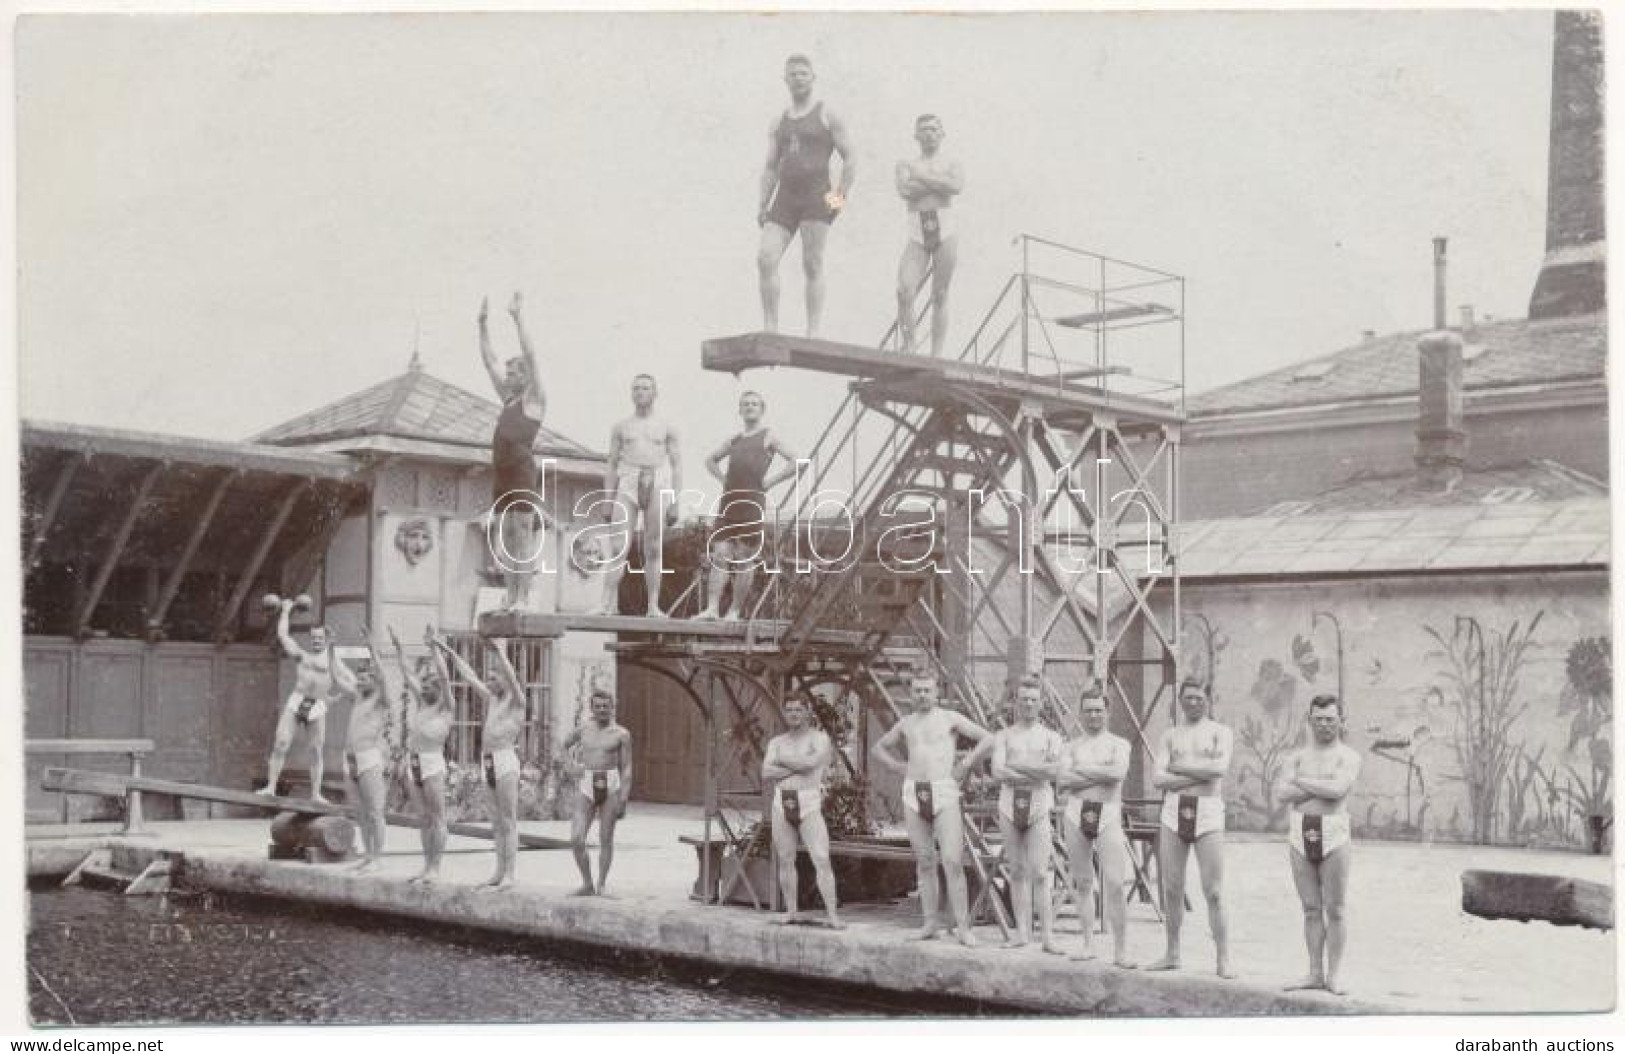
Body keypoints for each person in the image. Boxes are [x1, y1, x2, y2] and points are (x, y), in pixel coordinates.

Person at [871, 674, 991, 947]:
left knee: (951, 860)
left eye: (927, 690)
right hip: (914, 792)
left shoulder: (950, 718)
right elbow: (878, 748)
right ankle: (929, 923)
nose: (922, 695)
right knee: (924, 860)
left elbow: (987, 739)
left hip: (943, 790)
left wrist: (967, 762)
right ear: (911, 693)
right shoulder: (906, 724)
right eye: (917, 690)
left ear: (936, 692)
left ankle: (962, 927)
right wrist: (895, 766)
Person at [757, 53, 856, 338]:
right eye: (793, 74)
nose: (798, 78)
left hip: (817, 195)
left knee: (812, 262)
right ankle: (770, 327)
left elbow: (850, 157)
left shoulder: (827, 114)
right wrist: (762, 203)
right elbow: (770, 166)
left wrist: (839, 198)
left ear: (813, 78)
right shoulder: (779, 121)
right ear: (785, 80)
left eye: (803, 73)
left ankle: (813, 331)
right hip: (786, 197)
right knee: (765, 258)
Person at [1147, 679, 1236, 978]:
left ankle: (1223, 958)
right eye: (1188, 698)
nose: (1193, 703)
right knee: (1172, 888)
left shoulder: (1221, 733)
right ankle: (1172, 953)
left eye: (1199, 697)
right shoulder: (1170, 736)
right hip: (1174, 812)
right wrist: (1198, 774)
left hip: (1208, 812)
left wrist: (1179, 768)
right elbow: (1158, 780)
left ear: (1208, 700)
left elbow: (1218, 771)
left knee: (1214, 891)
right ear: (1180, 700)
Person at [1278, 694, 1362, 995]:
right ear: (1309, 720)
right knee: (1311, 908)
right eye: (1319, 719)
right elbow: (1281, 794)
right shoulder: (1296, 757)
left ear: (1341, 721)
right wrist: (1317, 788)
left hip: (1334, 833)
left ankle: (1334, 975)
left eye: (1330, 719)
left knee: (1335, 908)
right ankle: (1314, 972)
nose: (1324, 724)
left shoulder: (1349, 757)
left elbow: (1338, 790)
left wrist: (1300, 782)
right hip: (1300, 832)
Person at [696, 391, 801, 621]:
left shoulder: (768, 435)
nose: (749, 407)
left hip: (752, 503)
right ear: (740, 410)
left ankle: (734, 611)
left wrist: (771, 482)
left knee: (744, 557)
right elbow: (710, 460)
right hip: (729, 502)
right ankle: (711, 609)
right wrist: (722, 479)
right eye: (745, 404)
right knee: (720, 554)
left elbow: (797, 461)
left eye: (754, 404)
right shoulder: (735, 439)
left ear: (762, 409)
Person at [439, 637, 528, 889]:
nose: (488, 681)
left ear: (505, 680)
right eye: (488, 678)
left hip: (505, 760)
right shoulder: (491, 700)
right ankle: (498, 872)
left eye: (493, 677)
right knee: (495, 821)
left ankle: (510, 873)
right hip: (487, 761)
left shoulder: (518, 702)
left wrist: (501, 653)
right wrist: (450, 653)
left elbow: (512, 677)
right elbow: (469, 676)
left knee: (508, 820)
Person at [479, 292, 548, 612]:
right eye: (507, 375)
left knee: (522, 534)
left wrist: (517, 318)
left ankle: (523, 597)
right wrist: (482, 326)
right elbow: (488, 360)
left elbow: (532, 355)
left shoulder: (533, 400)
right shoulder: (508, 400)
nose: (507, 379)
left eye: (513, 374)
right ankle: (511, 596)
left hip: (520, 470)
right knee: (505, 536)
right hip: (502, 474)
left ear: (525, 377)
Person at [1057, 684, 1134, 968]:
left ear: (1107, 712)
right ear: (1080, 712)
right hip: (1076, 813)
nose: (1093, 716)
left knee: (1114, 883)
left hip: (1108, 813)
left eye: (1098, 711)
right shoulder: (1069, 746)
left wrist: (1081, 772)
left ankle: (1121, 950)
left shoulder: (1119, 744)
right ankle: (1088, 943)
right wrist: (1099, 775)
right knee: (1083, 882)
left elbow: (1117, 775)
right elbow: (1063, 781)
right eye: (1088, 711)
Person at [594, 375, 681, 618]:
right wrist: (607, 499)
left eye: (645, 388)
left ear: (655, 393)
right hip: (628, 481)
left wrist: (675, 501)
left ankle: (653, 605)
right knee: (618, 545)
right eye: (636, 388)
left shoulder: (666, 426)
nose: (640, 392)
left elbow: (677, 465)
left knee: (653, 548)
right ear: (631, 394)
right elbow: (611, 464)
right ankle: (606, 604)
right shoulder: (621, 426)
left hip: (656, 481)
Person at [988, 677, 1064, 953]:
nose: (1028, 704)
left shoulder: (1051, 737)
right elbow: (997, 772)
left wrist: (1017, 767)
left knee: (1041, 872)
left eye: (1033, 699)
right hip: (1009, 805)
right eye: (1024, 699)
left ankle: (1047, 936)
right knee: (1017, 870)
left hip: (1039, 804)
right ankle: (1021, 933)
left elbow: (1054, 772)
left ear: (1041, 703)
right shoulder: (1004, 736)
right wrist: (1035, 769)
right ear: (1016, 702)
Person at [760, 695, 845, 929]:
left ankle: (832, 916)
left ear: (808, 712)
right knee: (786, 859)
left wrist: (782, 761)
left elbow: (811, 766)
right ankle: (791, 911)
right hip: (782, 802)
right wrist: (797, 765)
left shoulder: (819, 739)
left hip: (808, 802)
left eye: (798, 709)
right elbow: (766, 773)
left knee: (821, 857)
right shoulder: (776, 742)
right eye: (789, 710)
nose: (793, 714)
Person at [894, 114, 964, 357]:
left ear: (942, 134)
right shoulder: (905, 163)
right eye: (924, 130)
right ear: (916, 135)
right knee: (904, 289)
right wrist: (938, 183)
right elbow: (905, 190)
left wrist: (920, 177)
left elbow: (955, 187)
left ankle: (936, 353)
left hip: (945, 227)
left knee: (940, 293)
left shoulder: (952, 163)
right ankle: (910, 343)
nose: (929, 134)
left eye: (934, 130)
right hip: (917, 229)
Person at [391, 626, 455, 884]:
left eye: (431, 685)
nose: (426, 688)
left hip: (432, 763)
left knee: (438, 818)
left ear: (439, 689)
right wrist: (398, 648)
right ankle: (426, 865)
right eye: (424, 685)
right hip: (414, 762)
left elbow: (445, 677)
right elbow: (407, 673)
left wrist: (433, 648)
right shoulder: (421, 704)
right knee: (423, 819)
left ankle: (436, 868)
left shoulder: (446, 709)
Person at [255, 598, 334, 802]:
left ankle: (316, 794)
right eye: (314, 638)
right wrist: (285, 612)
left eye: (320, 638)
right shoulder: (302, 656)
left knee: (316, 750)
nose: (316, 641)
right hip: (297, 700)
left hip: (317, 705)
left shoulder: (333, 659)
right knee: (281, 742)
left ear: (327, 639)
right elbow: (283, 635)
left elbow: (358, 661)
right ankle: (271, 786)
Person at [561, 688, 633, 895]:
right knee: (576, 838)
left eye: (606, 706)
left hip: (610, 784)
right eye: (598, 706)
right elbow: (563, 746)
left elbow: (627, 767)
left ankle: (601, 884)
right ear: (591, 708)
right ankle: (587, 883)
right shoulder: (583, 728)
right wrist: (571, 766)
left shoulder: (622, 734)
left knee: (606, 838)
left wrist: (624, 799)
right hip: (587, 782)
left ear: (612, 707)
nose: (602, 710)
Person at [337, 630, 391, 875]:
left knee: (375, 811)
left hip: (369, 759)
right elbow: (337, 676)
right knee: (360, 812)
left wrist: (372, 648)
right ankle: (368, 855)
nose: (361, 681)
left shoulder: (380, 700)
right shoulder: (358, 697)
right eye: (359, 677)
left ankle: (378, 858)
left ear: (374, 680)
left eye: (366, 677)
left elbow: (383, 677)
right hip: (351, 760)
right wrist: (330, 650)